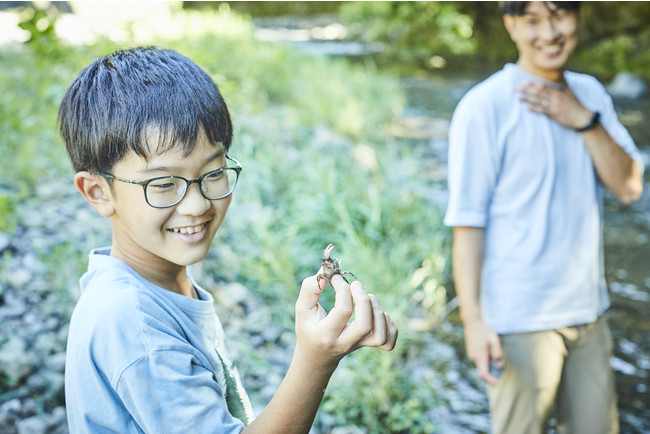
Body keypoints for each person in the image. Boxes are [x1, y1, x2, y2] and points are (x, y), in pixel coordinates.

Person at [59, 46, 398, 433]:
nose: (197, 204)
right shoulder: (132, 322)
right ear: (98, 192)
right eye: (165, 183)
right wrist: (314, 360)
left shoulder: (158, 282)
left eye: (213, 172)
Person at [444, 2, 644, 433]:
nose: (549, 33)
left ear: (577, 19)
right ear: (511, 26)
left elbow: (630, 187)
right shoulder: (483, 107)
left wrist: (584, 122)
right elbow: (468, 226)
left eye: (559, 16)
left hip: (589, 313)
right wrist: (474, 323)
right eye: (532, 20)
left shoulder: (590, 94)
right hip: (518, 321)